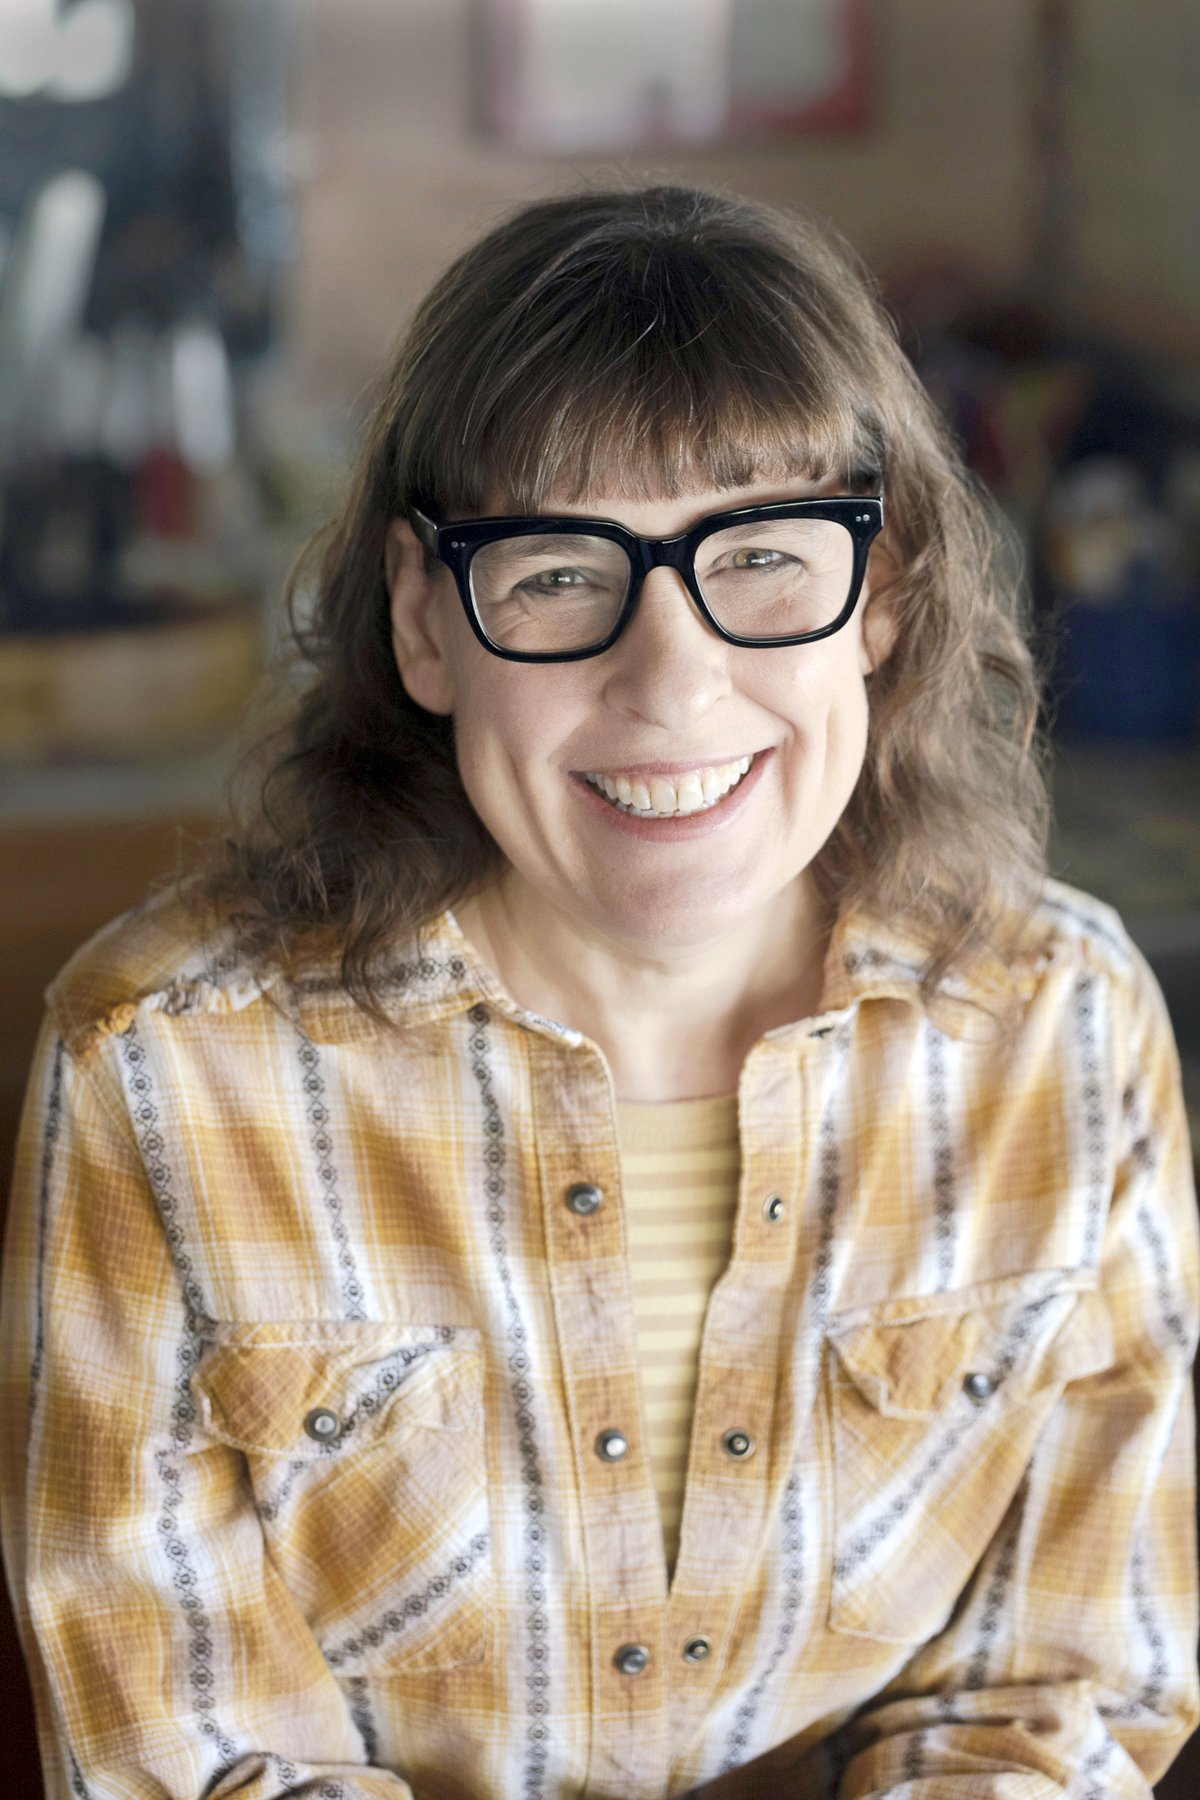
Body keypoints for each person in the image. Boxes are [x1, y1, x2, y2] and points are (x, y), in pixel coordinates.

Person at [1, 183, 1197, 1800]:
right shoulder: (161, 1066)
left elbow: (1064, 1682)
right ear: (428, 623)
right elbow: (186, 1752)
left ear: (888, 594)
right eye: (562, 572)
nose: (670, 678)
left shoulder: (1067, 1026)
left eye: (765, 555)